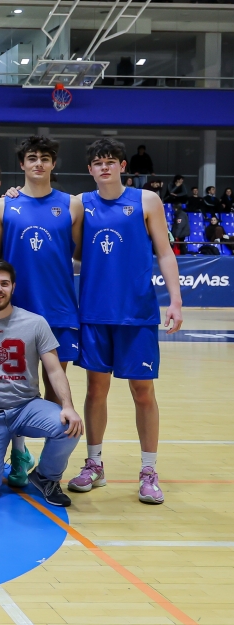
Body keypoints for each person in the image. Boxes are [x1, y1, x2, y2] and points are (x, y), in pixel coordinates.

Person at [68, 138, 183, 505]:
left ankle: (149, 470)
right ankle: (95, 464)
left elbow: (164, 252)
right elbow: (66, 249)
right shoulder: (80, 204)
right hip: (95, 313)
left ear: (122, 166)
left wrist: (176, 301)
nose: (104, 167)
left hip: (137, 313)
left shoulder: (146, 201)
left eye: (110, 161)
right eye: (97, 163)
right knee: (95, 390)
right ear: (90, 170)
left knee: (143, 392)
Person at [0, 135, 83, 486]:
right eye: (31, 157)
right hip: (14, 312)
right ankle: (19, 452)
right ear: (22, 164)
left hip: (59, 309)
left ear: (53, 164)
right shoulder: (3, 206)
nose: (38, 163)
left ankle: (48, 465)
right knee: (14, 386)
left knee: (57, 389)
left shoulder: (72, 205)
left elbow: (80, 254)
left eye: (45, 158)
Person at [0, 259, 83, 506]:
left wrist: (68, 405)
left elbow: (54, 370)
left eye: (4, 283)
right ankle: (0, 456)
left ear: (13, 287)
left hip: (26, 408)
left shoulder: (35, 323)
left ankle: (46, 477)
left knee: (69, 427)